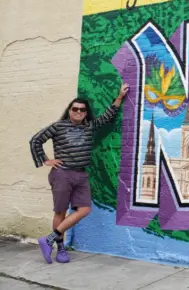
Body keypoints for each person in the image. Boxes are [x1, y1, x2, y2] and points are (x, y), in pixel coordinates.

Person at [29, 83, 129, 264]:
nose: (78, 112)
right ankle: (60, 250)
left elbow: (107, 117)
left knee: (84, 209)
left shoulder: (89, 127)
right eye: (74, 108)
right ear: (69, 110)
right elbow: (36, 140)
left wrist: (120, 97)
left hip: (81, 175)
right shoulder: (58, 126)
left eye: (82, 110)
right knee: (60, 212)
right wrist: (45, 160)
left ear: (85, 112)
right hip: (62, 174)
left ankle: (49, 239)